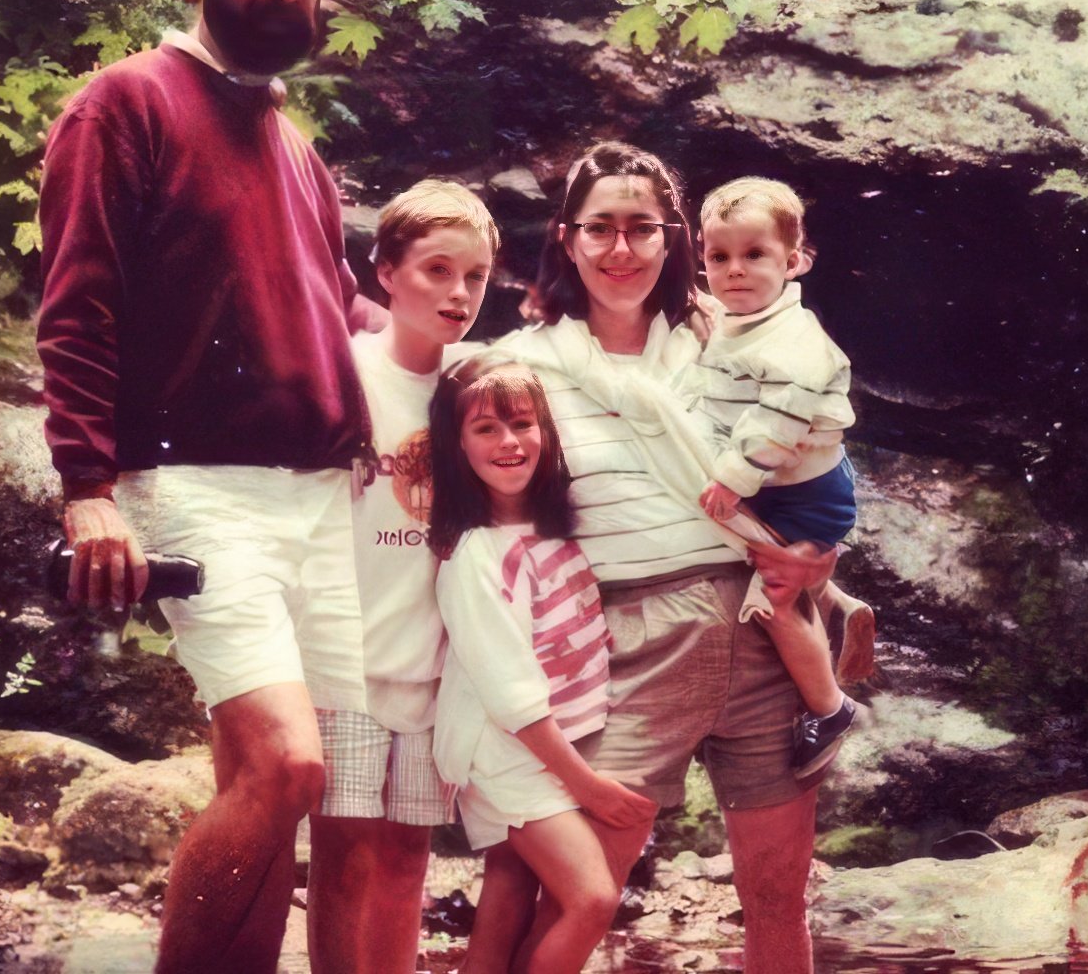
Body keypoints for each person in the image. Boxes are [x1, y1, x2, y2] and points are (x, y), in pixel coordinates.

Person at [33, 0, 377, 969]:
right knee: (286, 770)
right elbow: (76, 304)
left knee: (265, 784)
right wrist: (89, 486)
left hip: (322, 502)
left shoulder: (293, 148)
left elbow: (352, 313)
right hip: (196, 488)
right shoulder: (125, 104)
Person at [484, 142, 839, 972]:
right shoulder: (525, 366)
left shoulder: (734, 337)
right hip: (625, 640)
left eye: (641, 229)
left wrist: (821, 548)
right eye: (599, 229)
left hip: (766, 624)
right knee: (579, 897)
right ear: (566, 238)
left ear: (672, 236)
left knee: (778, 897)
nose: (620, 251)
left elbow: (817, 444)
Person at [557, 176, 875, 779]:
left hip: (801, 489)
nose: (735, 271)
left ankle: (828, 707)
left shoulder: (795, 339)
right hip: (785, 482)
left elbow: (777, 420)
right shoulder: (736, 316)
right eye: (720, 257)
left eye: (755, 255)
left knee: (776, 597)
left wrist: (731, 479)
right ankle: (837, 603)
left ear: (796, 260)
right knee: (779, 563)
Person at [427, 357, 657, 974]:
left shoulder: (554, 529)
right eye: (485, 429)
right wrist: (587, 786)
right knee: (591, 898)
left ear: (547, 433)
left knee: (510, 891)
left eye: (522, 424)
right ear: (456, 447)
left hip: (545, 747)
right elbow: (512, 695)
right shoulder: (476, 555)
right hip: (505, 753)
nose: (508, 442)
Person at [323, 180, 497, 973]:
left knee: (406, 863)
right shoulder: (343, 374)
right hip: (347, 664)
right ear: (384, 271)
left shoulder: (481, 388)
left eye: (475, 277)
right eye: (436, 271)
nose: (458, 294)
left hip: (438, 674)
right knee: (343, 861)